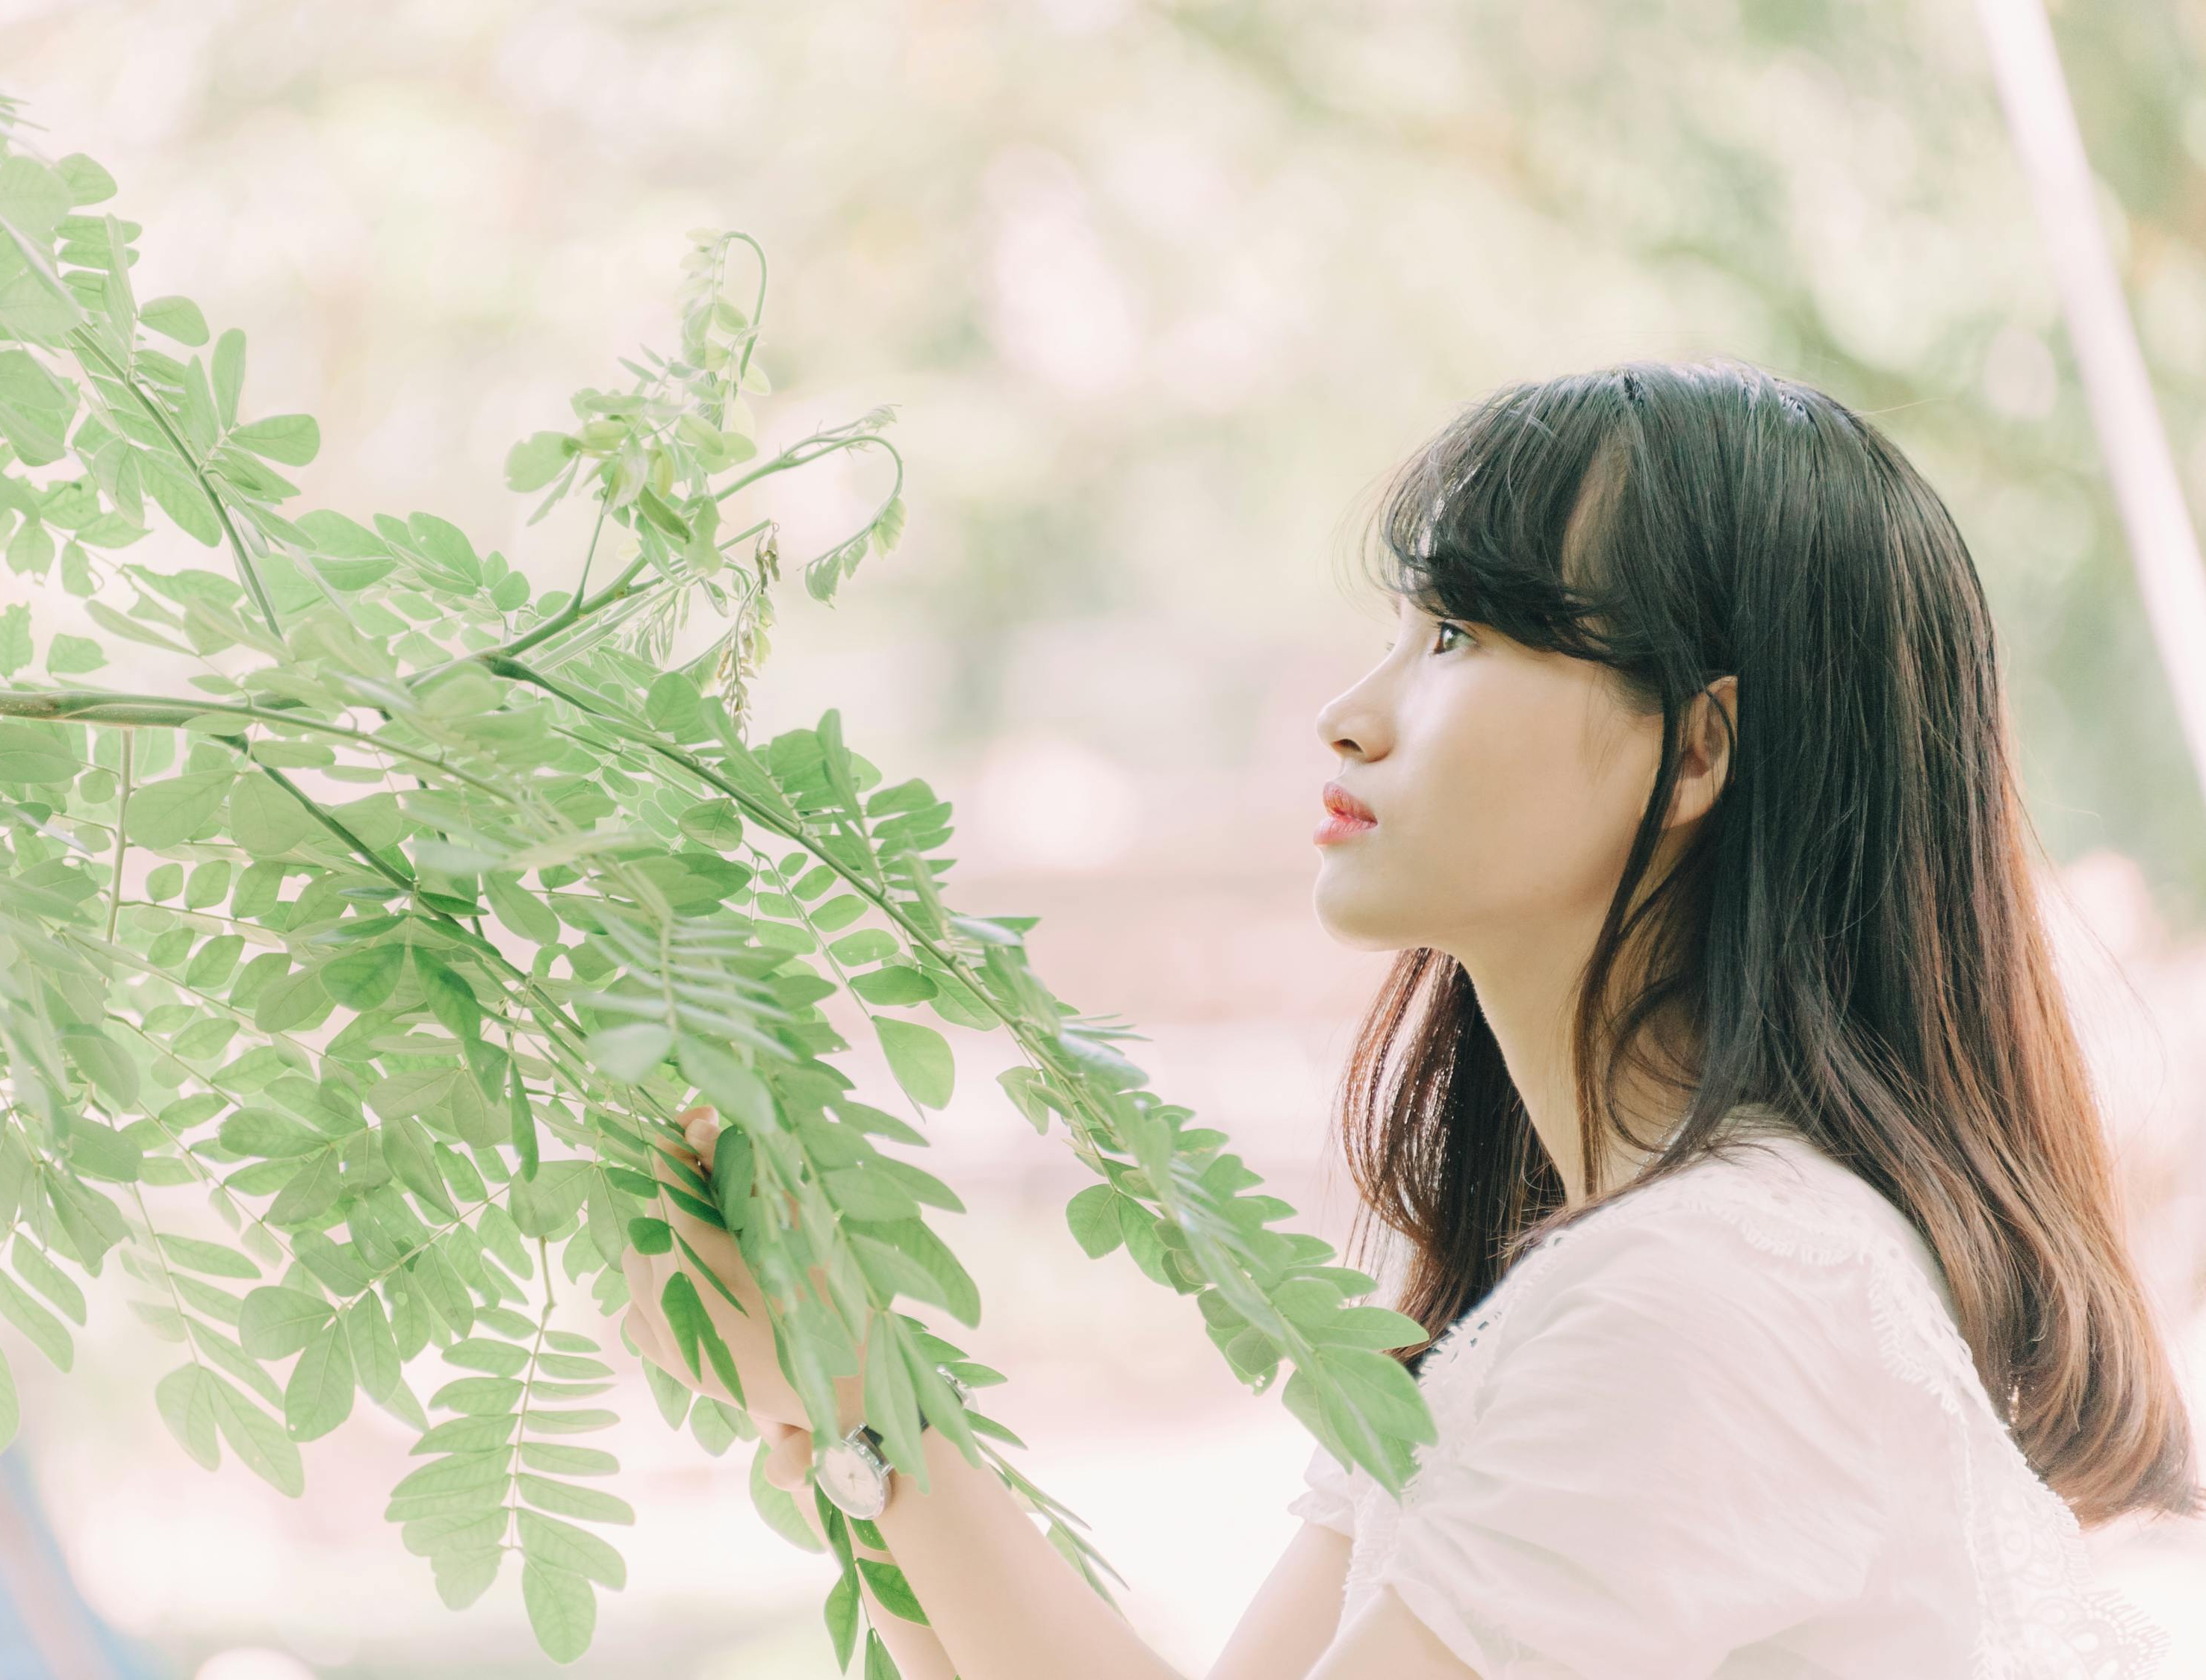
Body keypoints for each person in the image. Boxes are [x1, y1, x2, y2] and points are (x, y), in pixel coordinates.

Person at [617, 358, 2199, 1679]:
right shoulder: (1591, 1271)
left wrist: (845, 1395)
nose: (1348, 713)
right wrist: (847, 1391)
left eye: (1454, 636)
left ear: (1698, 749)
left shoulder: (1698, 1302)